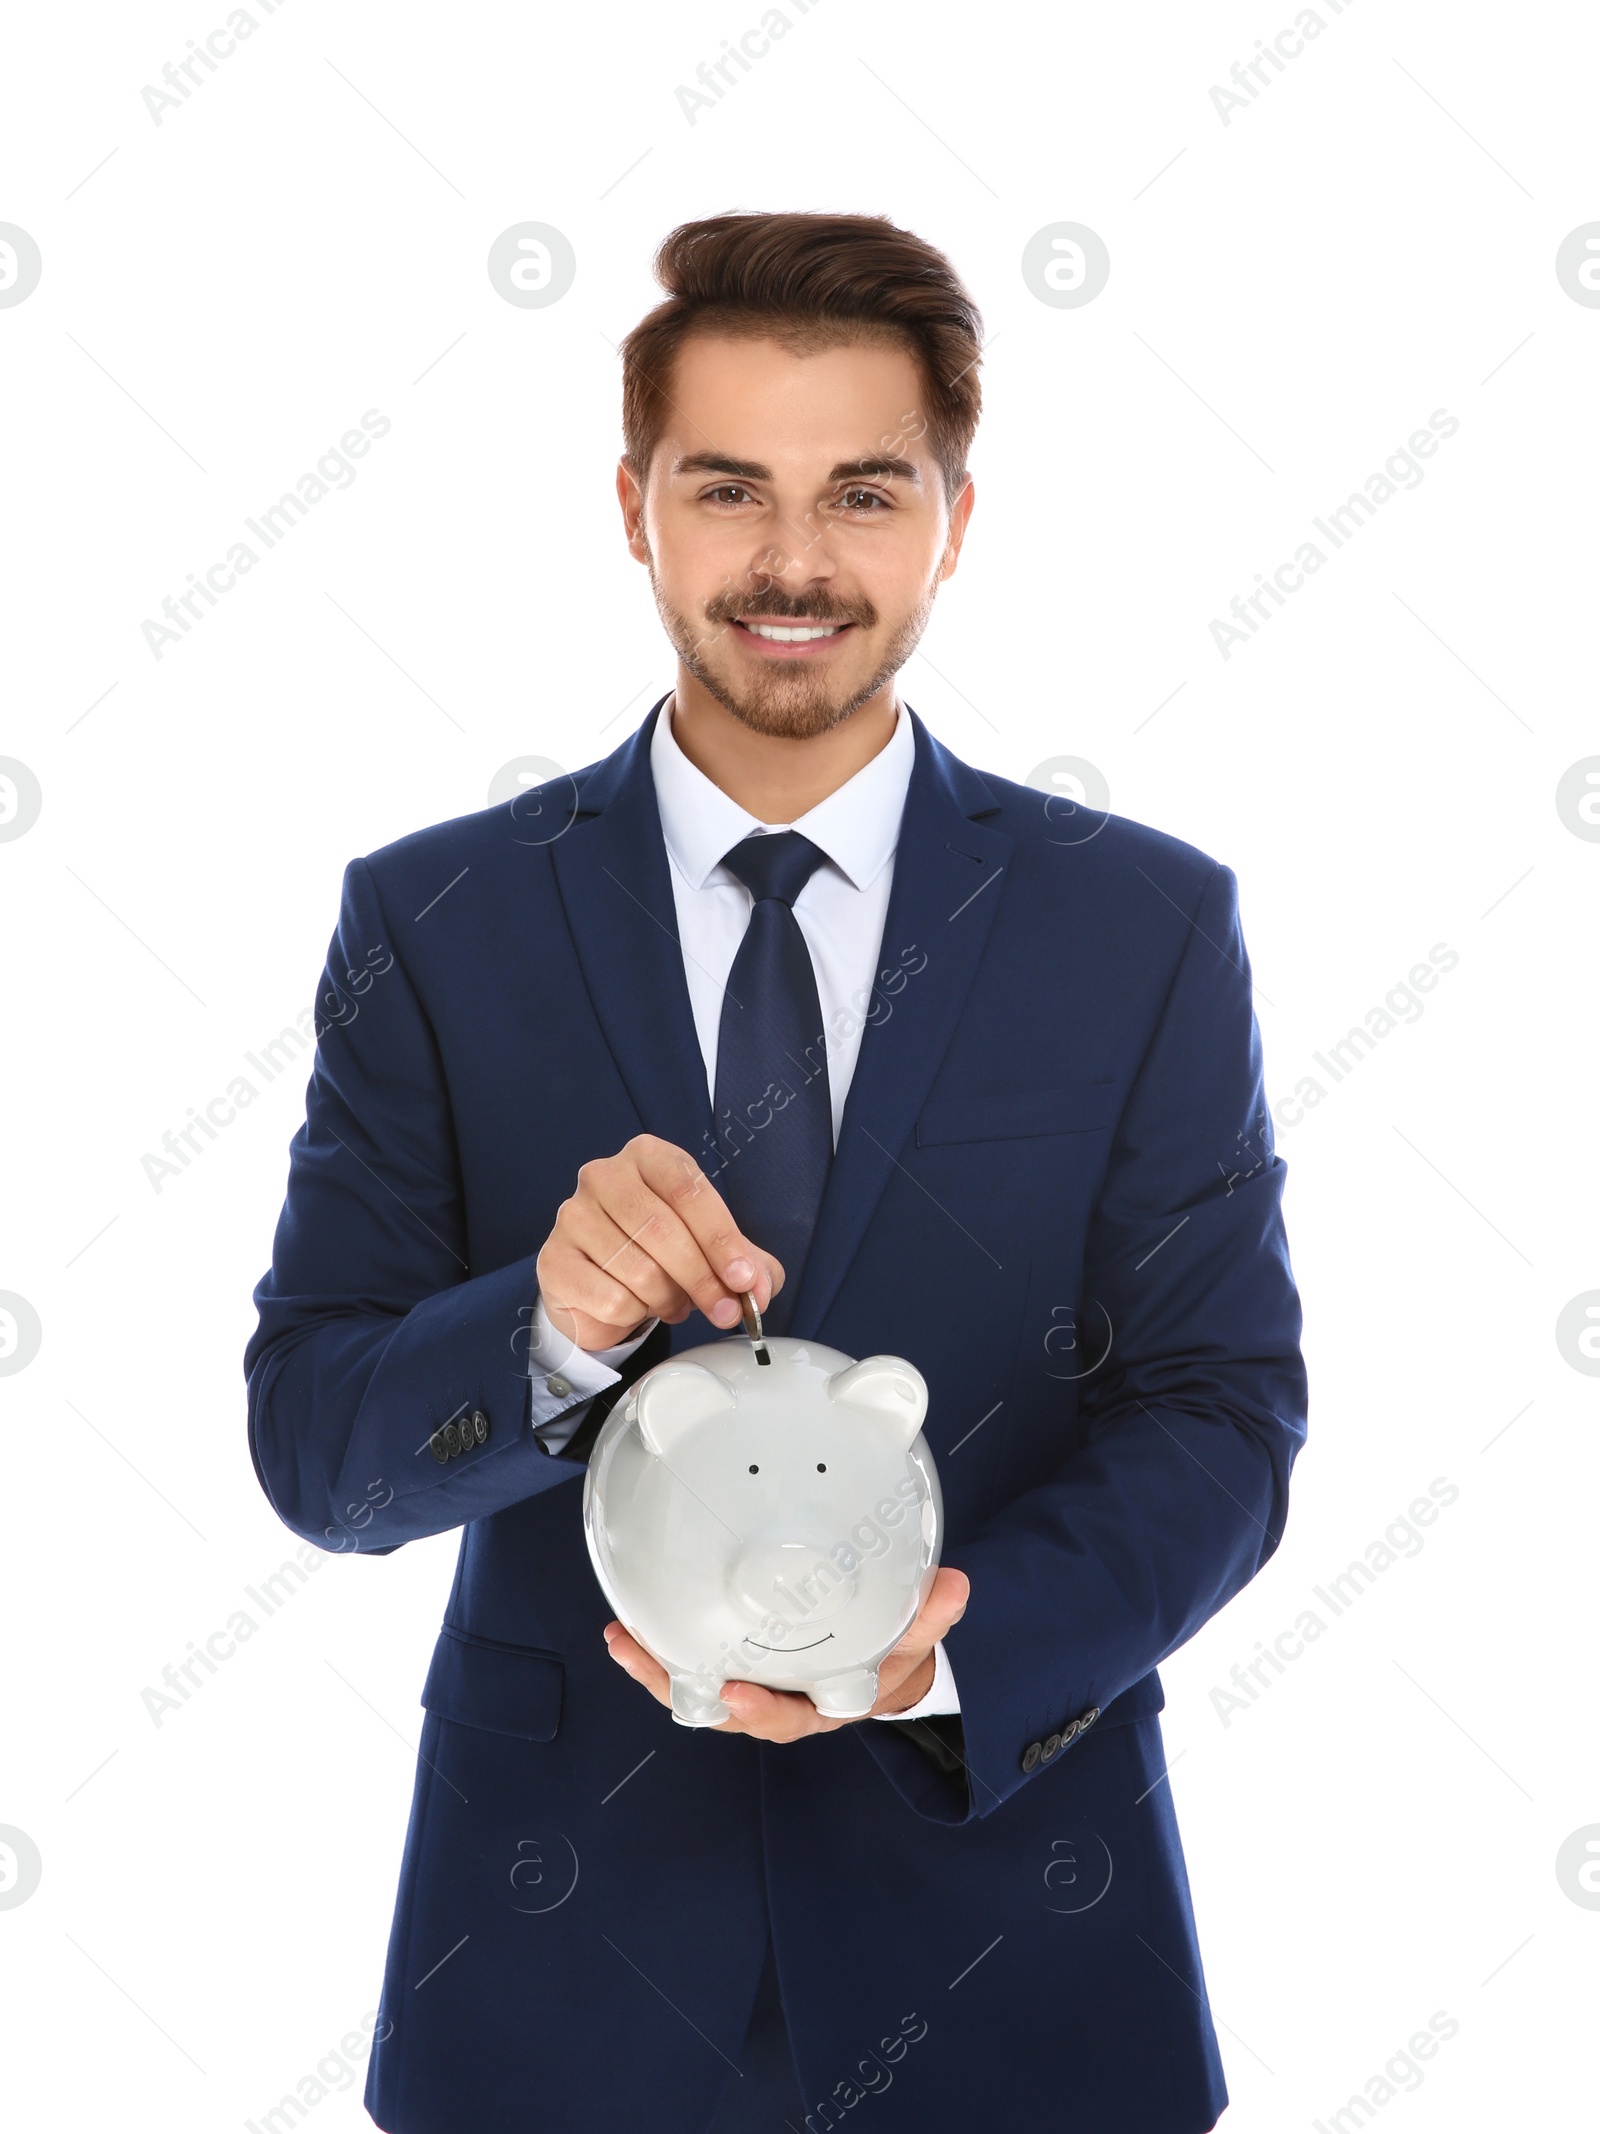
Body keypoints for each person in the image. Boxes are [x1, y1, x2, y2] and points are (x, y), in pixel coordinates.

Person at [245, 210, 1307, 2134]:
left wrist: (950, 1644)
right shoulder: (436, 918)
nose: (796, 561)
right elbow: (318, 1446)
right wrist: (549, 1334)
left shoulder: (1140, 924)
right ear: (634, 505)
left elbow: (1222, 1416)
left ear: (956, 522)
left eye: (864, 492)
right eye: (729, 487)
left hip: (1025, 1957)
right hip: (555, 1983)